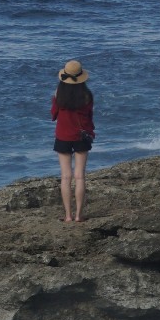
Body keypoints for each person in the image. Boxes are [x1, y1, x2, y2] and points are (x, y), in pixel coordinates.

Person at [51, 60, 95, 223]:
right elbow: (89, 117)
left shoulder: (58, 93)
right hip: (81, 136)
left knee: (65, 177)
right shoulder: (87, 95)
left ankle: (68, 216)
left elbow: (54, 115)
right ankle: (78, 216)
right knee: (80, 177)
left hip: (63, 136)